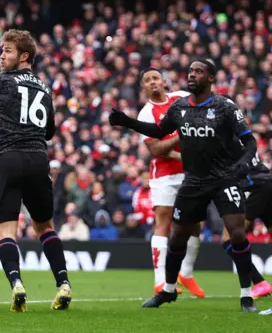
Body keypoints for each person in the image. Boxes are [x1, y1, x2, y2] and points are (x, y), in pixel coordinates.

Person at [109, 59, 258, 312]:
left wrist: (244, 164)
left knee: (238, 233)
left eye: (198, 72)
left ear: (210, 78)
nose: (192, 75)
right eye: (190, 71)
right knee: (178, 236)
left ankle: (246, 295)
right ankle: (167, 290)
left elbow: (250, 141)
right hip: (193, 180)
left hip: (224, 178)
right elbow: (157, 132)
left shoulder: (224, 106)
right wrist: (127, 121)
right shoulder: (179, 107)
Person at [0, 29, 72, 313]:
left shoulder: (2, 80)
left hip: (7, 158)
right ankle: (64, 284)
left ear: (24, 56)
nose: (1, 55)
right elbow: (49, 131)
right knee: (45, 227)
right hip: (37, 160)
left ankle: (17, 285)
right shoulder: (44, 87)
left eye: (7, 50)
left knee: (6, 230)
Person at [136, 68, 204, 297]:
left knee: (195, 223)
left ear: (164, 81)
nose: (153, 82)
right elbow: (154, 149)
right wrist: (180, 136)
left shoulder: (181, 98)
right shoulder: (146, 114)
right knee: (163, 219)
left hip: (191, 172)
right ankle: (160, 280)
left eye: (155, 78)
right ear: (144, 88)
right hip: (164, 175)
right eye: (147, 81)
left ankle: (186, 273)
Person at [221, 163, 272, 299]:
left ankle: (259, 282)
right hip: (268, 180)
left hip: (253, 185)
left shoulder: (227, 143)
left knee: (229, 238)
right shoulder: (249, 142)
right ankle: (260, 283)